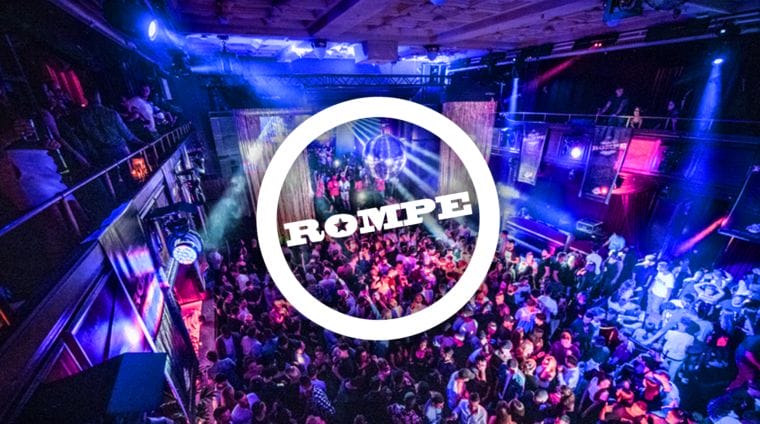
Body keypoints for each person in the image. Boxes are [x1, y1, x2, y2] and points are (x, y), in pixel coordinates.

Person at [80, 89, 142, 165]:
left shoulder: (84, 117)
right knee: (129, 168)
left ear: (85, 97)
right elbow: (127, 134)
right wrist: (142, 143)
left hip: (102, 153)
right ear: (99, 97)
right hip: (120, 149)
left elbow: (87, 138)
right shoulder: (111, 113)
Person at [647, 261, 675, 327]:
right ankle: (647, 321)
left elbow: (669, 289)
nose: (657, 268)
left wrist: (666, 299)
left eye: (658, 267)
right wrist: (650, 288)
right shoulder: (660, 273)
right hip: (653, 292)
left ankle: (654, 324)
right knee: (649, 307)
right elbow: (655, 280)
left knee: (655, 309)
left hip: (660, 296)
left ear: (664, 268)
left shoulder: (670, 277)